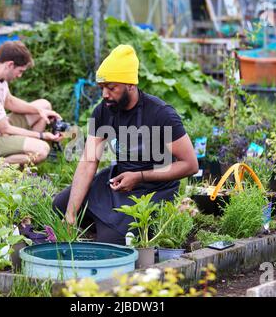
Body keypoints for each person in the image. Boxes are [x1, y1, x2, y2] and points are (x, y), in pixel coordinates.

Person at [53, 44, 198, 245]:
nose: (105, 94)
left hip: (154, 189)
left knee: (111, 241)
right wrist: (70, 215)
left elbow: (190, 165)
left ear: (130, 84)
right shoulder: (103, 110)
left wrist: (139, 176)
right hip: (120, 181)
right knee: (60, 206)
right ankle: (105, 223)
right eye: (102, 88)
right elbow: (88, 161)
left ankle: (116, 227)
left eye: (112, 88)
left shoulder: (160, 113)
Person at [0, 40, 63, 165]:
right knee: (41, 150)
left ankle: (26, 158)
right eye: (20, 71)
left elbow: (9, 101)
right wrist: (42, 136)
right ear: (10, 64)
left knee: (44, 105)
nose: (20, 76)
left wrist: (39, 111)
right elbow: (5, 129)